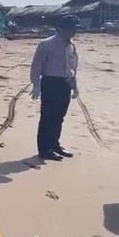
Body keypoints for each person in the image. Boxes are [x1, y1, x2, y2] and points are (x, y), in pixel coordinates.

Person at [30, 15, 81, 161]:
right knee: (47, 118)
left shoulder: (71, 46)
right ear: (62, 28)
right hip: (50, 83)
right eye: (72, 29)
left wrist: (74, 86)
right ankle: (44, 149)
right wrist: (35, 85)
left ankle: (55, 144)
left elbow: (72, 68)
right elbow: (37, 65)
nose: (74, 32)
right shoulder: (47, 44)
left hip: (64, 84)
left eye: (76, 29)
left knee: (59, 117)